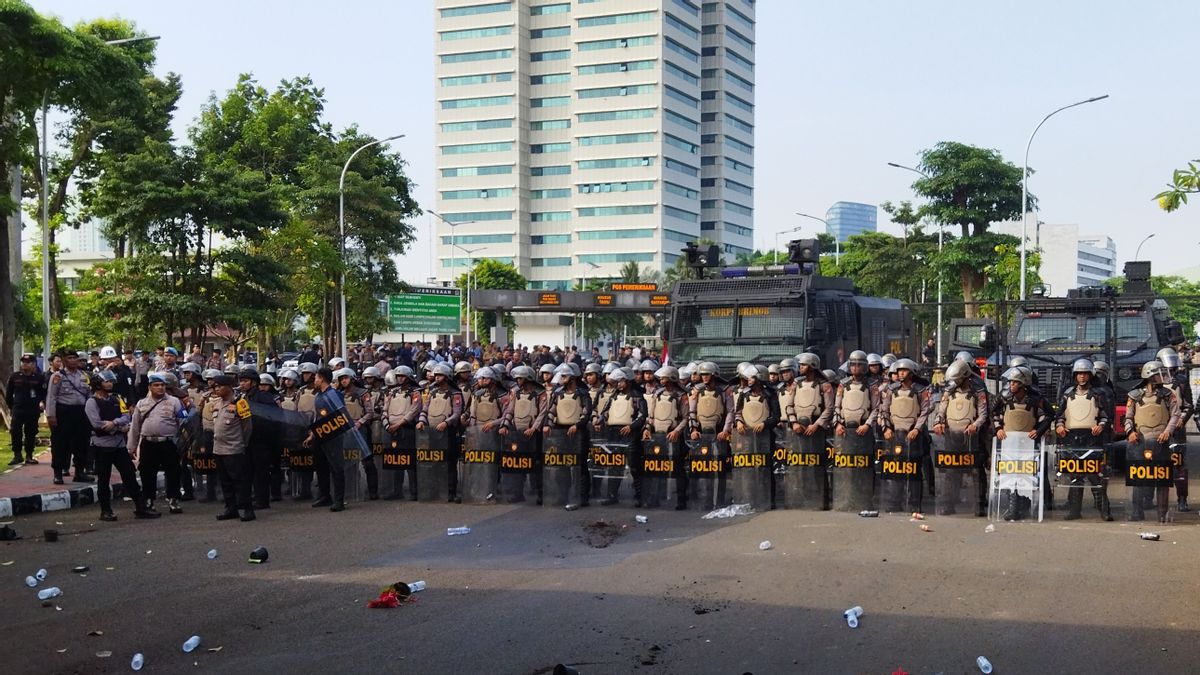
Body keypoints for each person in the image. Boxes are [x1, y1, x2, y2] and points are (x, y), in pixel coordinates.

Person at [85, 370, 159, 522]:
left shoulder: (116, 398)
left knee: (130, 475)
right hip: (101, 446)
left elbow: (126, 417)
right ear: (98, 384)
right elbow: (97, 424)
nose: (110, 384)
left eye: (111, 381)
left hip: (119, 445)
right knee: (103, 480)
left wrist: (114, 424)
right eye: (107, 381)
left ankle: (141, 507)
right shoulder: (92, 402)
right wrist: (119, 426)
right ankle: (106, 511)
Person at [990, 365, 1052, 521]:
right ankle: (1013, 509)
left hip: (1028, 443)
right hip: (1008, 442)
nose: (1011, 385)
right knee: (1011, 474)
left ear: (1024, 384)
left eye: (1015, 383)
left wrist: (1038, 430)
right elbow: (994, 413)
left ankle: (1027, 505)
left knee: (1026, 474)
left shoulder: (1036, 399)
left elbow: (1049, 415)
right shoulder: (1004, 397)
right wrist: (998, 429)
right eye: (1010, 382)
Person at [1124, 360, 1183, 522]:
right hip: (1140, 441)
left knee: (1162, 478)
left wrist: (1167, 432)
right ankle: (1137, 512)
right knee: (1138, 478)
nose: (1162, 377)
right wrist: (1130, 432)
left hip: (1161, 441)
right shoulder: (1134, 395)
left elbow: (1175, 415)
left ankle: (1162, 513)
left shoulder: (1167, 394)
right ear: (1150, 376)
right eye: (1158, 374)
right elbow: (1128, 417)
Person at [1052, 358, 1111, 521]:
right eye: (1079, 374)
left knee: (1095, 477)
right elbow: (1060, 416)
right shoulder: (1067, 394)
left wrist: (1101, 426)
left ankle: (1104, 511)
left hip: (1092, 439)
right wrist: (1059, 426)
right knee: (1075, 477)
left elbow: (1105, 416)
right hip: (1072, 439)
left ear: (1090, 375)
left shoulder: (1098, 394)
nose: (1082, 377)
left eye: (1085, 374)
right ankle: (1074, 510)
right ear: (1075, 376)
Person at [879, 358, 933, 514]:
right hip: (895, 434)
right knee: (895, 469)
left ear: (911, 372)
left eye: (904, 370)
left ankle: (914, 504)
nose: (900, 373)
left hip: (913, 435)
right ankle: (895, 502)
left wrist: (917, 429)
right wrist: (886, 428)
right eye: (898, 371)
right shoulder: (891, 390)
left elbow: (925, 411)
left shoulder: (920, 391)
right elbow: (884, 410)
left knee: (913, 470)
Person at [127, 372, 184, 514]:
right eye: (156, 385)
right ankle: (149, 499)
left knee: (173, 471)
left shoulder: (174, 402)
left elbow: (184, 421)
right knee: (147, 472)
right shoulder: (142, 403)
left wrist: (182, 442)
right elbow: (135, 426)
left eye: (163, 385)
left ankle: (174, 499)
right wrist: (132, 446)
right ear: (150, 387)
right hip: (148, 443)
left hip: (168, 442)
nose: (160, 388)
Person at [544, 363, 593, 509]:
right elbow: (551, 411)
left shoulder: (583, 393)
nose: (561, 378)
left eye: (564, 376)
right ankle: (562, 494)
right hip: (561, 432)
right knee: (562, 465)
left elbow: (586, 412)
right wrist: (548, 424)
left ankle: (582, 497)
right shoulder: (558, 393)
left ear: (572, 377)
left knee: (580, 466)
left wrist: (577, 425)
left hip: (578, 433)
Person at [596, 368, 646, 506]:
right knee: (614, 465)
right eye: (617, 381)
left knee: (634, 466)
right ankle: (612, 495)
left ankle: (640, 496)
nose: (618, 384)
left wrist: (631, 426)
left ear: (628, 381)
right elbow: (605, 412)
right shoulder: (613, 396)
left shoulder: (637, 396)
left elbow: (642, 416)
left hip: (630, 433)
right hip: (613, 433)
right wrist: (599, 420)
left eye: (621, 381)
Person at [210, 374, 255, 521]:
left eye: (220, 386)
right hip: (219, 449)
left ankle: (246, 509)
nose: (217, 389)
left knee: (240, 481)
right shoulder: (217, 403)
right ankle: (231, 508)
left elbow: (247, 426)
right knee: (225, 481)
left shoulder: (240, 402)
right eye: (215, 387)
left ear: (229, 387)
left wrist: (243, 444)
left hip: (234, 448)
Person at [643, 365, 688, 509]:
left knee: (677, 469)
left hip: (674, 436)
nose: (661, 380)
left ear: (672, 378)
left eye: (663, 377)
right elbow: (651, 416)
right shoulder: (657, 394)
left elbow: (686, 418)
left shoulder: (681, 396)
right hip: (658, 436)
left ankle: (681, 500)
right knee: (656, 467)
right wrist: (647, 428)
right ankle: (654, 498)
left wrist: (677, 431)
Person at [418, 363, 465, 502]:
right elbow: (425, 409)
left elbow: (457, 413)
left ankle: (451, 491)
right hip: (432, 432)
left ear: (447, 376)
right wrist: (421, 421)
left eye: (440, 375)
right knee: (433, 462)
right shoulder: (432, 392)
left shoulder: (455, 393)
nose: (437, 378)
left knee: (450, 463)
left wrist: (446, 423)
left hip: (448, 432)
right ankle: (435, 490)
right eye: (436, 375)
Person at [1155, 347, 1194, 511]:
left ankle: (1182, 499)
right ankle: (1149, 498)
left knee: (1178, 466)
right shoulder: (1153, 380)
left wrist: (1181, 420)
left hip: (1177, 431)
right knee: (1154, 464)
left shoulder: (1182, 381)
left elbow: (1188, 405)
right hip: (1157, 429)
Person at [46, 349, 93, 484]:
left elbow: (89, 395)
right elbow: (51, 396)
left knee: (82, 443)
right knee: (60, 444)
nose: (73, 360)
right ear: (64, 360)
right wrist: (51, 415)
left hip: (81, 412)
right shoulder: (57, 376)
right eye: (69, 358)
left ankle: (79, 472)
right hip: (63, 412)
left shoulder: (84, 376)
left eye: (75, 358)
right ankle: (58, 473)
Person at [305, 367, 349, 512]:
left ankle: (339, 500)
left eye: (316, 378)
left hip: (333, 436)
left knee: (336, 467)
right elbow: (318, 417)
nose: (315, 380)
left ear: (322, 378)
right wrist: (312, 435)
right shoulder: (318, 396)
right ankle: (325, 496)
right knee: (320, 466)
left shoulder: (334, 394)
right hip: (319, 436)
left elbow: (340, 415)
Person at [238, 369, 281, 508]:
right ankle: (253, 497)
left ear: (254, 382)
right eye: (241, 381)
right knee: (248, 471)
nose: (242, 384)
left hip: (262, 441)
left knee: (261, 472)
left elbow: (273, 416)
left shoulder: (264, 397)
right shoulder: (244, 397)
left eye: (245, 381)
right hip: (249, 439)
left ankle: (262, 500)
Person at [336, 367, 380, 500]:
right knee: (345, 461)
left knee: (367, 462)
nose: (343, 381)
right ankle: (346, 491)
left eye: (346, 378)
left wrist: (360, 422)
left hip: (360, 429)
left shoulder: (363, 393)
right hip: (344, 430)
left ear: (352, 378)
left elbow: (370, 412)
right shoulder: (338, 394)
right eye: (341, 379)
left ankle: (373, 492)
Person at [6, 354, 45, 465]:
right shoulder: (15, 376)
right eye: (23, 362)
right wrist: (11, 407)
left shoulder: (38, 377)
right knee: (15, 432)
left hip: (32, 409)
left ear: (33, 364)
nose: (25, 364)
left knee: (31, 432)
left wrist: (41, 403)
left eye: (28, 362)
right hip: (18, 409)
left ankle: (29, 455)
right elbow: (9, 394)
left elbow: (42, 393)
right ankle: (17, 455)